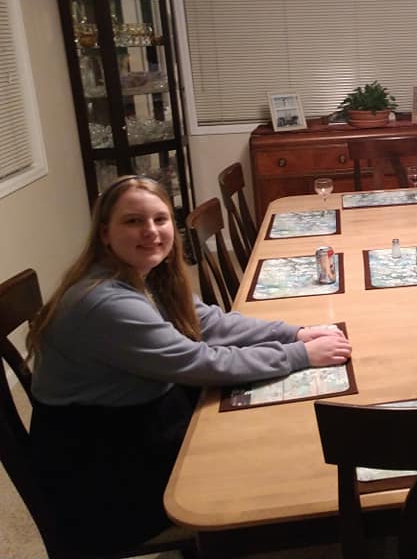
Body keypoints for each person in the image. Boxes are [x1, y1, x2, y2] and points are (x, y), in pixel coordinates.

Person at [26, 175, 352, 554]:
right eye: (133, 221)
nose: (151, 231)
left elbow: (211, 324)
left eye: (160, 219)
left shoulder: (145, 275)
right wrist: (300, 356)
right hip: (103, 466)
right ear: (104, 233)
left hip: (141, 412)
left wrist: (295, 333)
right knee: (277, 459)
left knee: (274, 424)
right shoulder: (105, 304)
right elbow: (200, 362)